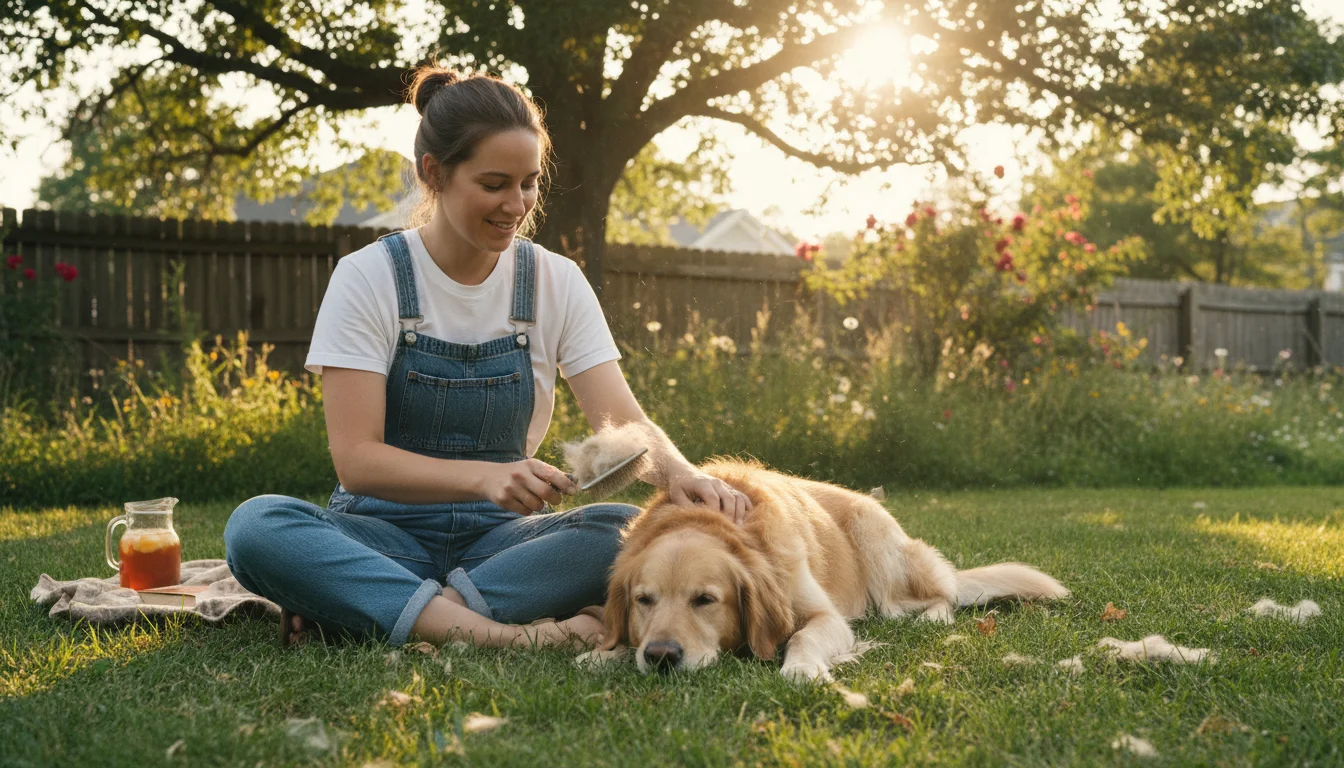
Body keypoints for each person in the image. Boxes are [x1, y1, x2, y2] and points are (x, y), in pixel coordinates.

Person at [223, 66, 751, 650]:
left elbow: (624, 427)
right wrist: (485, 476)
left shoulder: (556, 281)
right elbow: (357, 462)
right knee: (257, 526)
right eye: (495, 183)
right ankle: (505, 636)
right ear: (435, 173)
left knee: (618, 530)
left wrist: (685, 475)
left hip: (503, 543)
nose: (516, 204)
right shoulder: (369, 278)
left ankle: (381, 607)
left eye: (528, 183)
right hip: (381, 529)